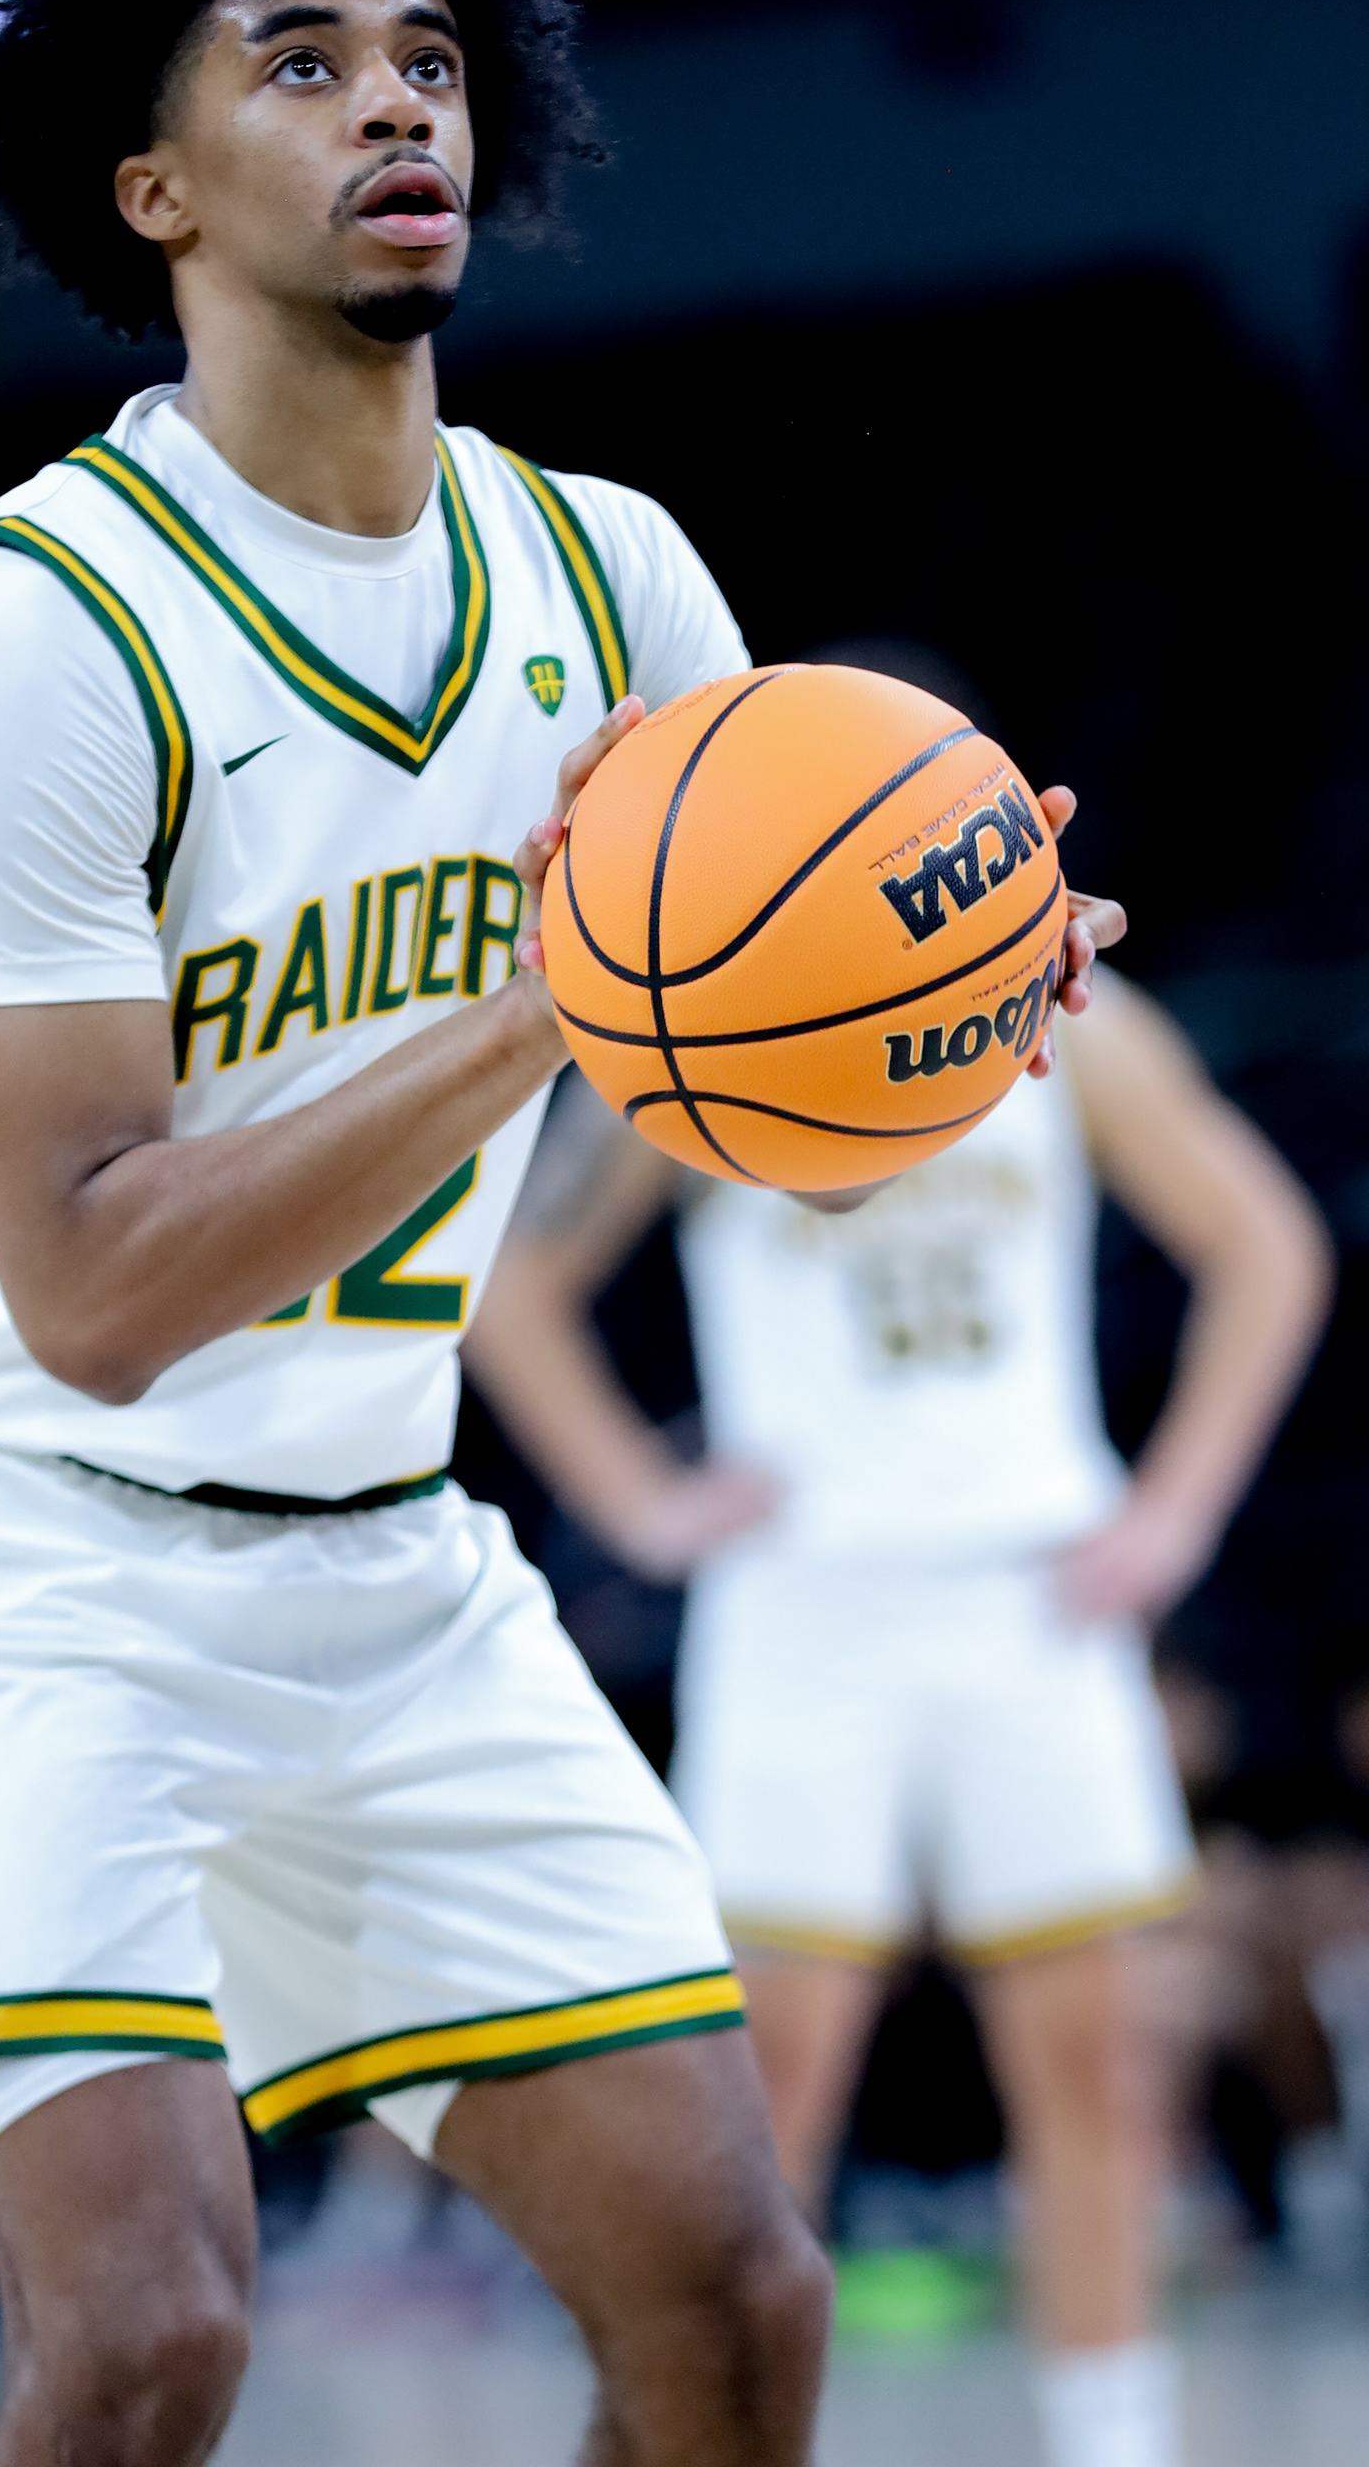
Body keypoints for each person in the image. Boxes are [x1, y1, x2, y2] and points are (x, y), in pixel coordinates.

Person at [0, 0, 1116, 2467]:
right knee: (148, 2342)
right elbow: (94, 1294)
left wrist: (930, 1022)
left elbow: (766, 1137)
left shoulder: (617, 584)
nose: (397, 101)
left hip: (387, 1558)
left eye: (426, 56)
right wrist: (552, 999)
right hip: (23, 1551)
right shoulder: (44, 625)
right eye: (300, 64)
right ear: (151, 187)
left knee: (739, 2307)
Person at [464, 647, 1331, 2467]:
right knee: (767, 2096)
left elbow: (1269, 1245)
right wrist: (640, 1503)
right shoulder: (707, 1002)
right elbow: (512, 1288)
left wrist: (1172, 1510)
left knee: (1102, 2071)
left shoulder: (1076, 1021)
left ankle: (1116, 2446)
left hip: (1032, 1591)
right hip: (806, 1611)